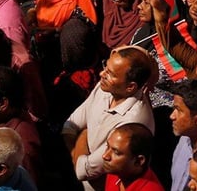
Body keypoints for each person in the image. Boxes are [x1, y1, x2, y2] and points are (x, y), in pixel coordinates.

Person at [63, 46, 156, 190]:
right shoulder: (104, 88)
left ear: (130, 87)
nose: (101, 74)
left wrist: (83, 135)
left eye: (111, 74)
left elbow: (84, 171)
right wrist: (77, 158)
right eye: (105, 68)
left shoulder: (134, 121)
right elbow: (70, 126)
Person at [103, 123, 164, 190]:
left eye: (116, 152)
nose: (105, 156)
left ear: (139, 161)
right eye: (107, 146)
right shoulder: (115, 173)